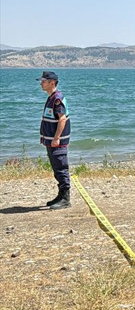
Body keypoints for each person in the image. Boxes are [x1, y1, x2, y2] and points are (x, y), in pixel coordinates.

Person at [38, 71, 71, 209]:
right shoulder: (51, 98)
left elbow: (62, 119)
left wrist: (56, 138)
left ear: (52, 83)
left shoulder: (57, 99)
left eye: (43, 81)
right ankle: (60, 195)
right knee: (57, 168)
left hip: (57, 142)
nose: (41, 83)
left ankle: (66, 199)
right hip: (51, 141)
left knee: (61, 167)